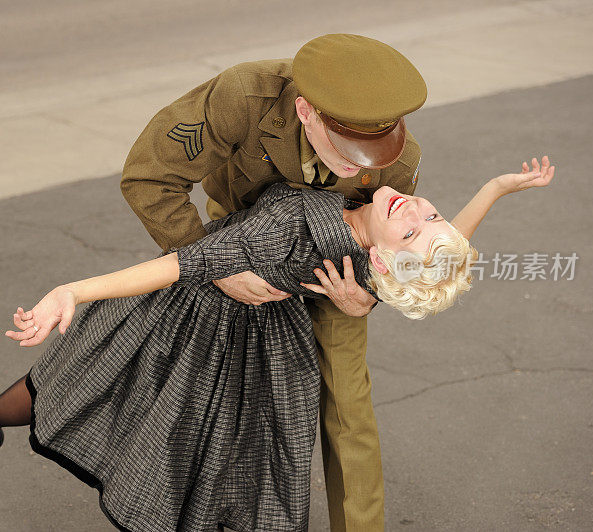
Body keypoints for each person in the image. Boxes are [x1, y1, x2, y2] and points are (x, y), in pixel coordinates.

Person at [0, 158, 555, 531]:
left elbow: (184, 263)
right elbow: (438, 253)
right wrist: (497, 188)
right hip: (231, 329)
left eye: (414, 227)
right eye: (430, 213)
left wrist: (73, 289)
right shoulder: (379, 253)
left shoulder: (293, 231)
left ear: (384, 266)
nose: (417, 208)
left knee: (192, 451)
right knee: (85, 390)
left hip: (204, 324)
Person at [120, 33, 426, 531]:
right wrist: (213, 262)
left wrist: (365, 298)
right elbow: (150, 176)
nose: (361, 165)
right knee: (206, 390)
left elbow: (398, 249)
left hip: (336, 272)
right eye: (347, 148)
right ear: (305, 111)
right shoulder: (246, 96)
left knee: (349, 406)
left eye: (375, 151)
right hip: (241, 244)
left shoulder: (400, 157)